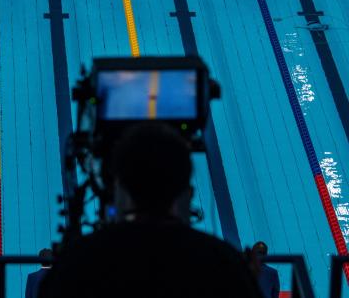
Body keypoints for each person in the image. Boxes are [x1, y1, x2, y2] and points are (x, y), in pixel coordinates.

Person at [39, 122, 263, 298]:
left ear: (118, 191)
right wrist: (249, 281)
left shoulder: (77, 265)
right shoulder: (224, 265)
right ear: (188, 193)